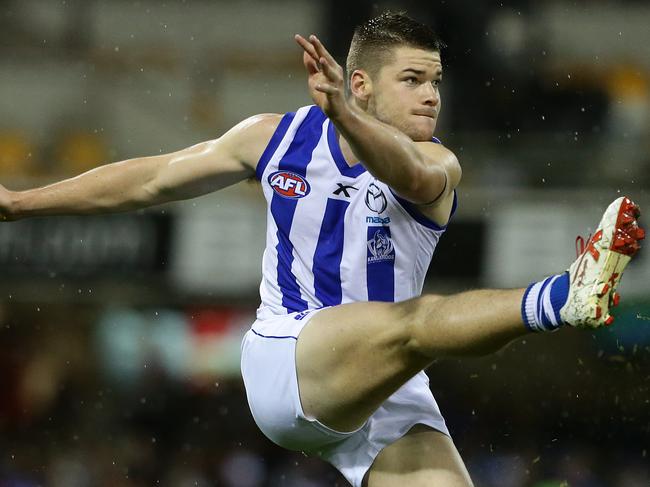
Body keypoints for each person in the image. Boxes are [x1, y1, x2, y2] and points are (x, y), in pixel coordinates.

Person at [0, 12, 644, 487]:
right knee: (416, 323)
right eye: (414, 80)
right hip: (290, 361)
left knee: (411, 341)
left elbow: (406, 175)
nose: (432, 97)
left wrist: (347, 118)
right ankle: (563, 298)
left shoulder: (436, 162)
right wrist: (19, 203)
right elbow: (151, 178)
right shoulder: (272, 138)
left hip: (385, 383)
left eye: (437, 81)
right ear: (360, 83)